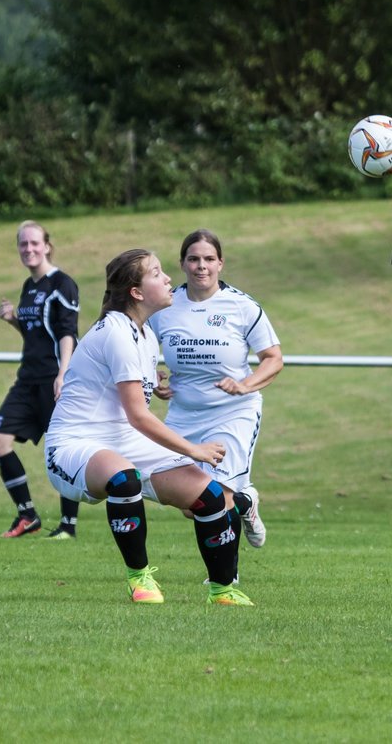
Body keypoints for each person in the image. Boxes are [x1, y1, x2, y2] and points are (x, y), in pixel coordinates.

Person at [43, 248, 251, 606]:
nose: (169, 278)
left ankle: (223, 591)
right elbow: (139, 415)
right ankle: (139, 579)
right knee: (124, 478)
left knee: (210, 496)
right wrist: (193, 450)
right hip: (74, 443)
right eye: (157, 273)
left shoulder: (145, 335)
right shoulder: (116, 333)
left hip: (125, 441)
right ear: (136, 292)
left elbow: (133, 403)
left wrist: (157, 383)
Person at [150, 229, 282, 567]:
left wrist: (246, 385)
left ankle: (227, 577)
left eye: (209, 259)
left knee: (217, 494)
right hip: (183, 414)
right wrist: (154, 380)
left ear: (220, 264)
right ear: (182, 264)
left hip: (232, 412)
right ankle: (245, 501)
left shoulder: (242, 306)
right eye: (193, 259)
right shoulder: (165, 305)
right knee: (189, 504)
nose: (201, 266)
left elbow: (273, 357)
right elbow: (143, 351)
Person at [0, 221, 81, 539]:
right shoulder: (29, 287)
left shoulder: (62, 283)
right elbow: (35, 333)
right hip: (27, 380)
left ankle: (68, 526)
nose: (28, 249)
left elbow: (68, 332)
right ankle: (27, 514)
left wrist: (63, 373)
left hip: (53, 378)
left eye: (34, 243)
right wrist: (14, 319)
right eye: (23, 244)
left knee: (62, 450)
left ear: (47, 246)